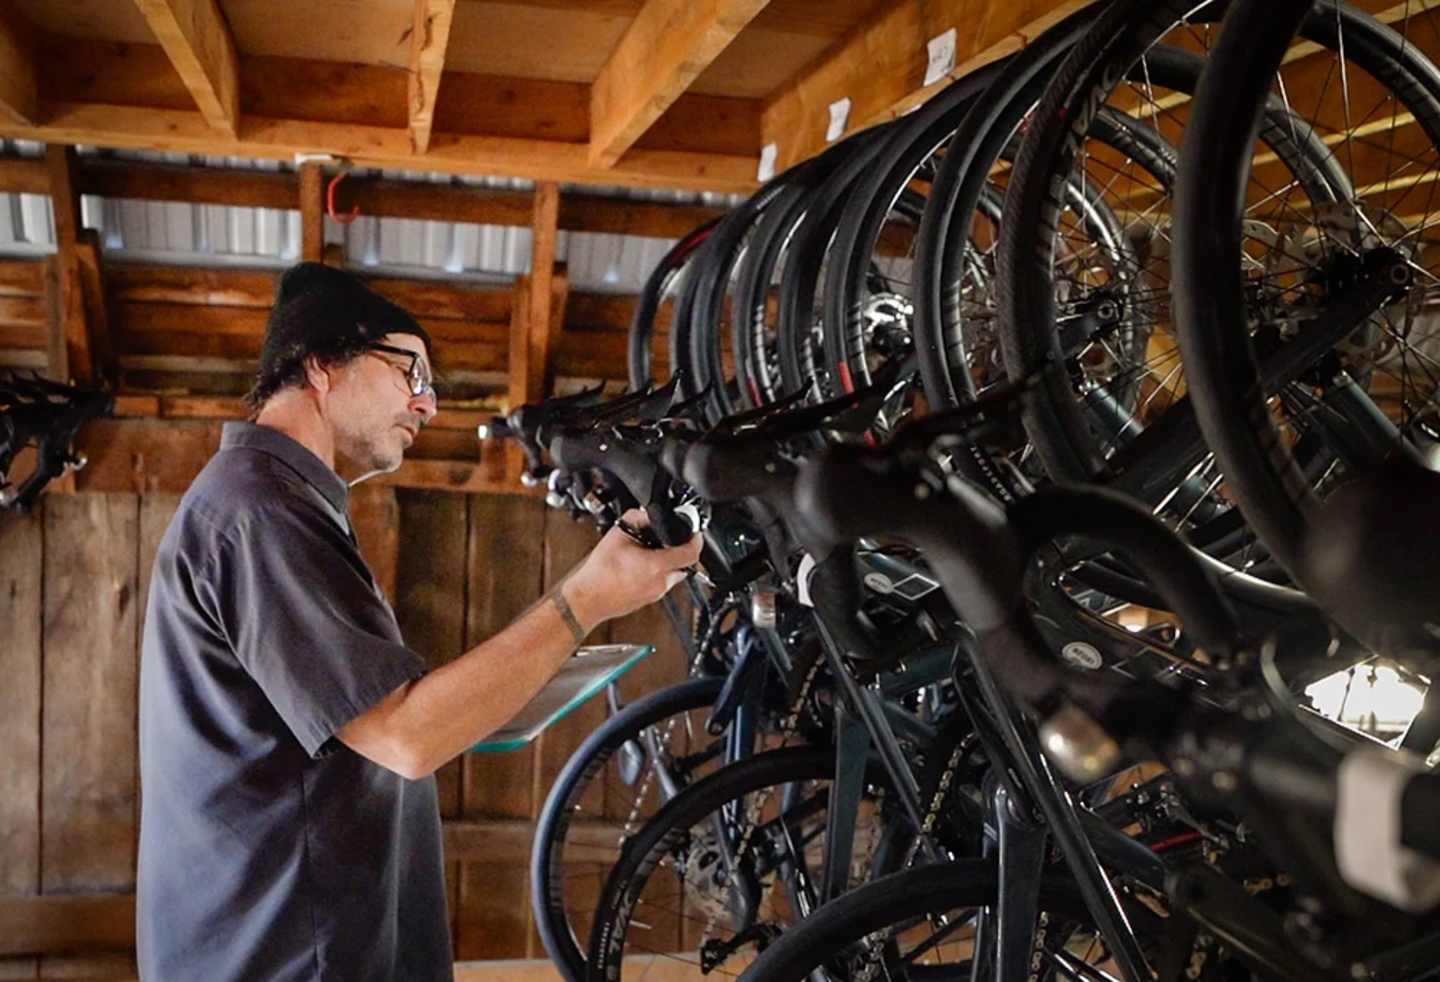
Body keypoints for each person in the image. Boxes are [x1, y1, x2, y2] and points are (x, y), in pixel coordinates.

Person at [135, 262, 700, 981]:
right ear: (320, 365)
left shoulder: (272, 505)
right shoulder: (260, 514)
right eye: (413, 373)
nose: (428, 406)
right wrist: (588, 596)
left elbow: (375, 723)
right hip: (280, 955)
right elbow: (405, 734)